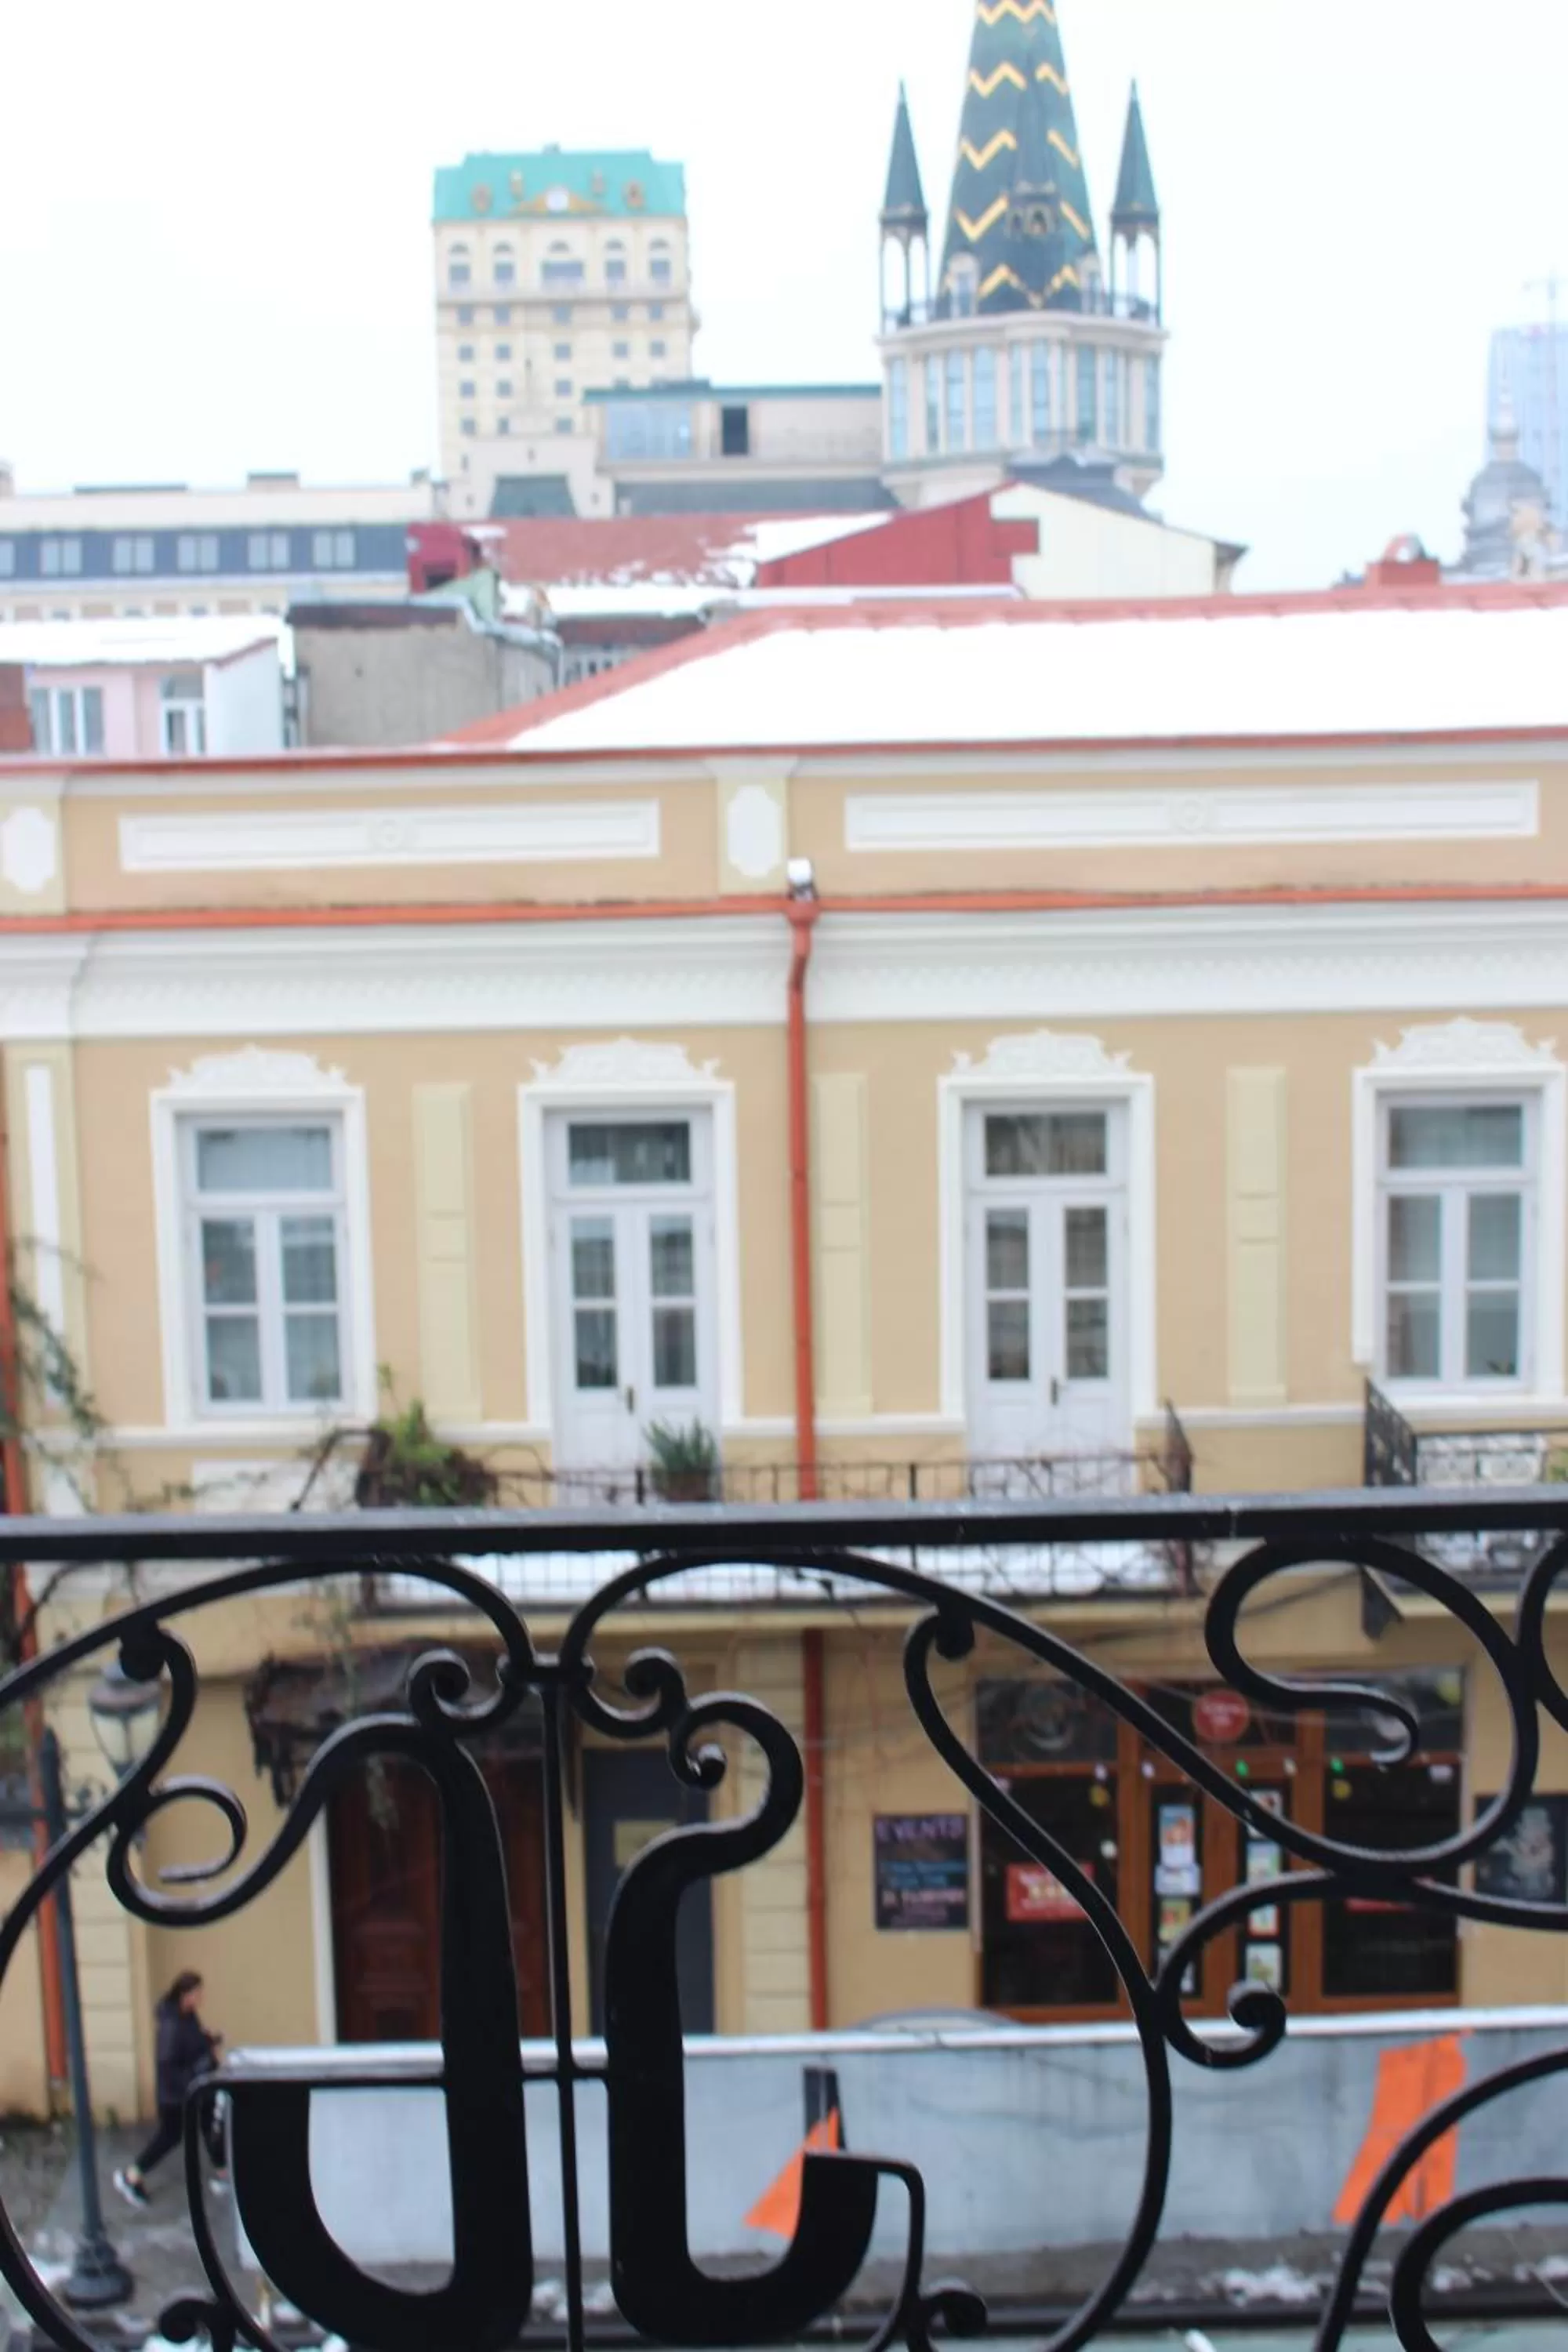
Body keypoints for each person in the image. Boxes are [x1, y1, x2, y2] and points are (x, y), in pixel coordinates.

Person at [113, 1970, 225, 2209]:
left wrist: (208, 2041)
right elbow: (170, 2068)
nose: (202, 1997)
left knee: (210, 2124)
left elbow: (192, 2045)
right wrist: (205, 2065)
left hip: (196, 2088)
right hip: (177, 2096)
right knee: (170, 2136)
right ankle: (131, 2177)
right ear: (185, 1995)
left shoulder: (188, 2016)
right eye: (198, 1993)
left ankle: (223, 2175)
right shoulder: (171, 2026)